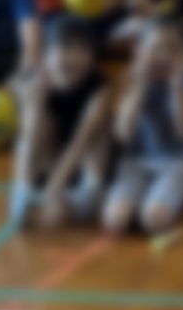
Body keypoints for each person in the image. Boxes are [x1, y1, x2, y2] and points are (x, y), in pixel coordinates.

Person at [102, 17, 183, 237]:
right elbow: (123, 133)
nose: (164, 56)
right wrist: (140, 86)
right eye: (156, 48)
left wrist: (177, 87)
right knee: (115, 220)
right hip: (137, 160)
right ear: (139, 52)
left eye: (174, 49)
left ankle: (167, 195)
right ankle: (146, 197)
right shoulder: (133, 76)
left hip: (179, 161)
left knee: (154, 219)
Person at [10, 16, 112, 230]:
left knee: (101, 129)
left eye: (82, 50)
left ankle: (91, 187)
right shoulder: (32, 82)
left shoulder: (101, 87)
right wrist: (37, 103)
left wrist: (55, 187)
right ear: (46, 56)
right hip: (51, 155)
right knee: (39, 122)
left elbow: (83, 138)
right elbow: (28, 139)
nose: (73, 57)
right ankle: (25, 187)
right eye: (65, 48)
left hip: (81, 154)